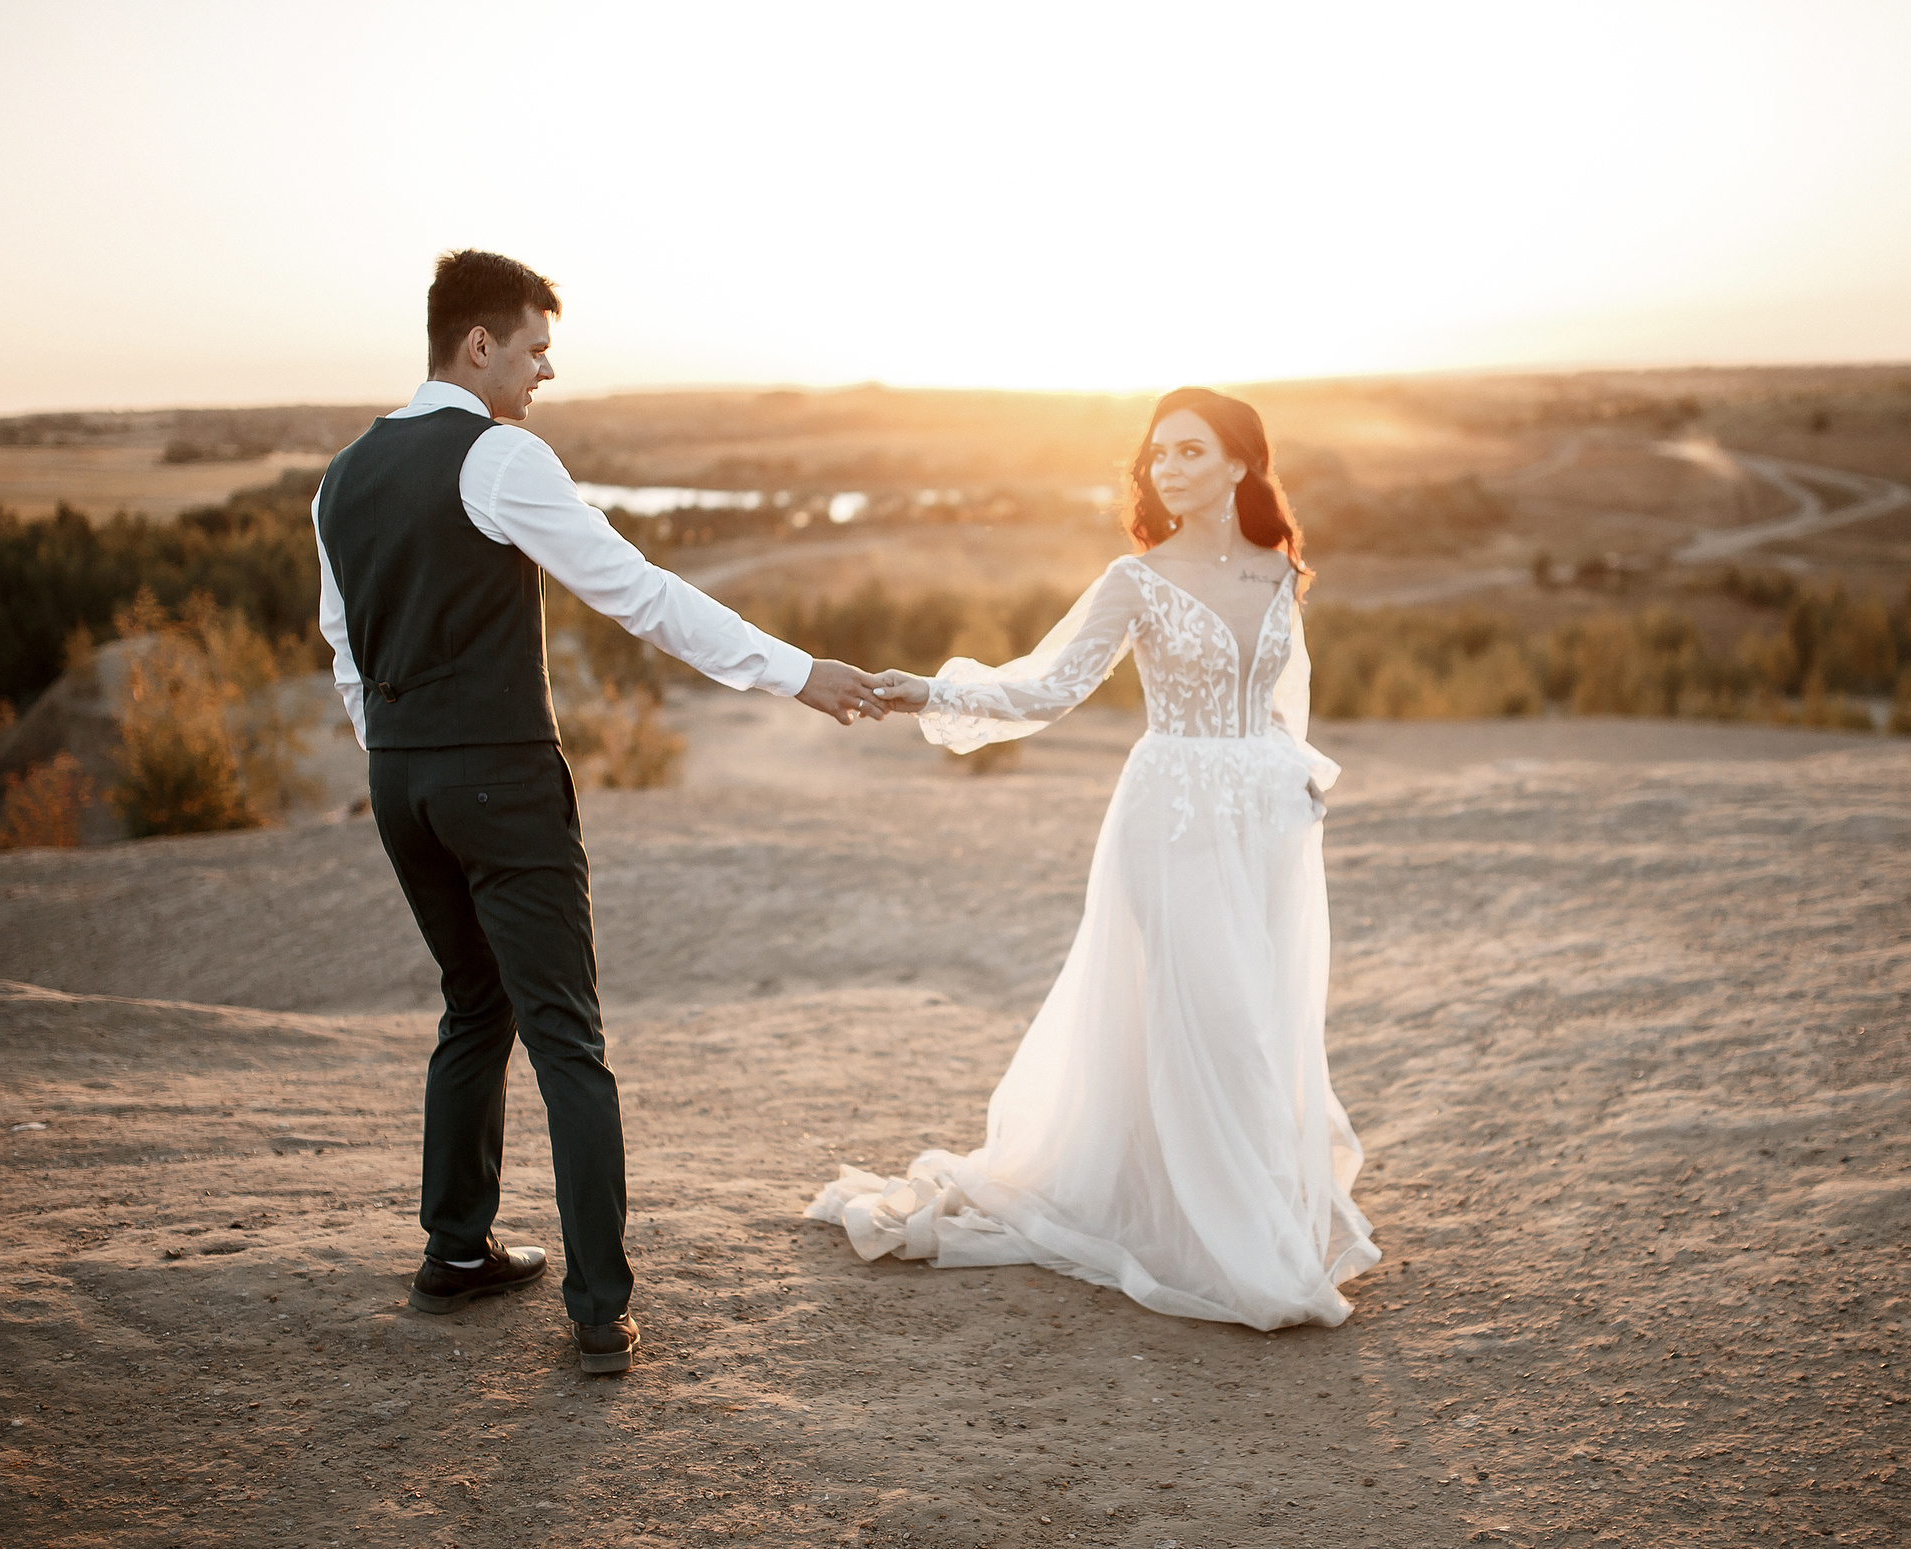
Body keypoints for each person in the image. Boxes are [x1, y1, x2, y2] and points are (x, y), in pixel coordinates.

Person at [316, 249, 890, 1374]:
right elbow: (638, 592)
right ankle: (596, 1307)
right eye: (533, 352)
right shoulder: (496, 456)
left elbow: (344, 647)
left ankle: (456, 1251)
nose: (541, 376)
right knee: (565, 1033)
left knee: (472, 1005)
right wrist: (793, 671)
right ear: (476, 345)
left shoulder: (339, 476)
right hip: (500, 779)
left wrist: (394, 755)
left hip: (403, 780)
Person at [806, 388, 1379, 1331]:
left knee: (1261, 1021)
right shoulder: (1136, 578)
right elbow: (1049, 687)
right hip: (1175, 816)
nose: (1169, 469)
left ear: (1241, 463)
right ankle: (1238, 1252)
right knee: (1217, 1018)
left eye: (1192, 451)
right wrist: (926, 692)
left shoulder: (1278, 572)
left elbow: (1285, 697)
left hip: (1267, 823)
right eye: (1159, 456)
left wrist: (1300, 772)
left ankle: (1240, 1217)